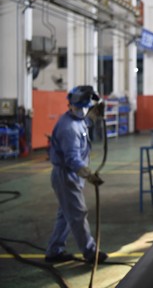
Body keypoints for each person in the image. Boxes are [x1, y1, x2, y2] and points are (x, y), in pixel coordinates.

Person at [45, 85, 108, 264]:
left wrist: (95, 115)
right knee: (78, 214)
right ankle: (90, 252)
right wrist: (88, 175)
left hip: (72, 176)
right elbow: (72, 159)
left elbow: (85, 122)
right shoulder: (69, 128)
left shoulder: (77, 120)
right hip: (66, 176)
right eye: (79, 108)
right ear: (70, 105)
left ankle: (54, 251)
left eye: (85, 108)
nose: (82, 111)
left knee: (66, 215)